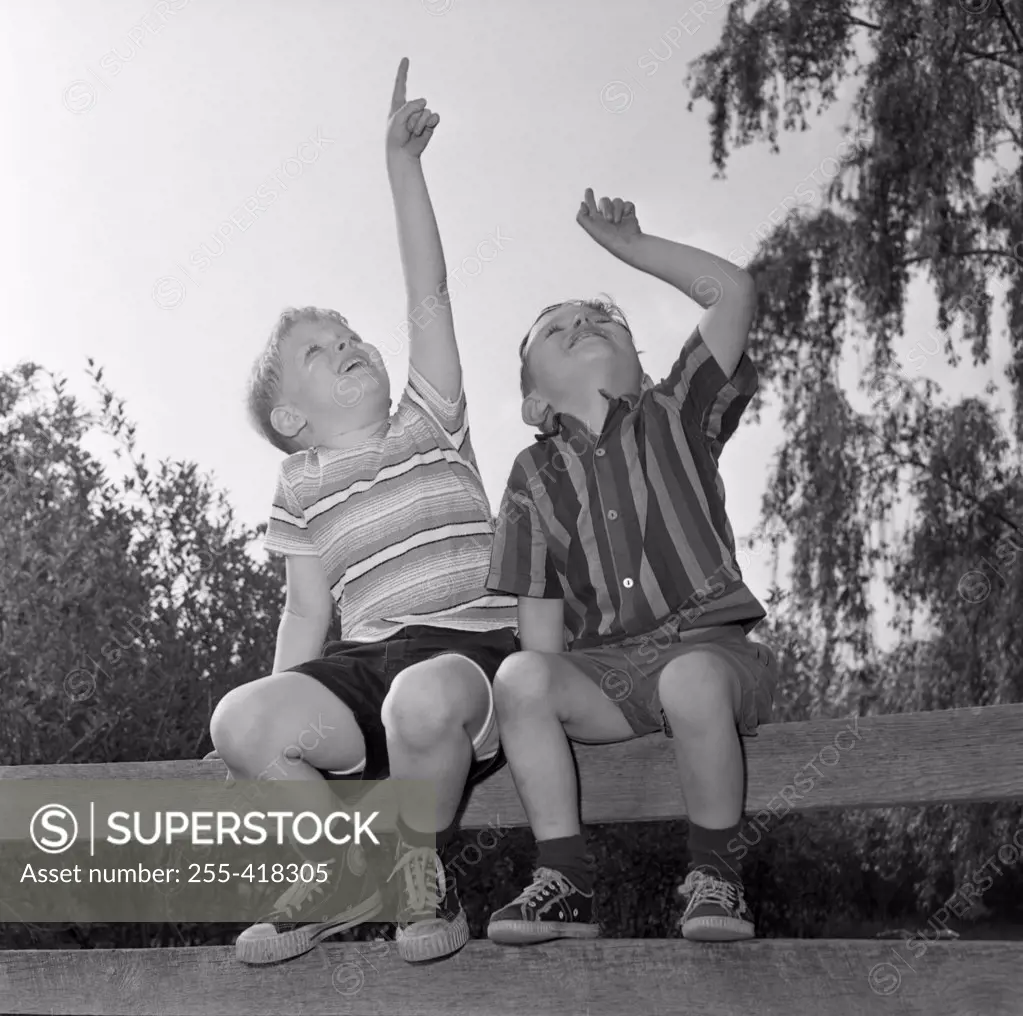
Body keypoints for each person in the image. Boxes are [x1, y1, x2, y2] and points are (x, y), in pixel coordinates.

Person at [207, 58, 518, 965]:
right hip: (361, 671)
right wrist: (266, 738)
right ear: (291, 418)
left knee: (422, 695)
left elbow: (429, 293)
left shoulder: (430, 418)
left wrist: (401, 168)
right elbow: (306, 610)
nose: (346, 341)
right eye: (318, 349)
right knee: (241, 719)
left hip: (467, 661)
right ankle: (348, 872)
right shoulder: (299, 485)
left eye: (346, 333)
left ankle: (418, 873)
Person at [484, 188, 778, 944]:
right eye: (556, 330)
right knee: (519, 676)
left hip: (708, 655)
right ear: (531, 402)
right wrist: (538, 710)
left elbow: (733, 292)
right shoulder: (529, 476)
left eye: (599, 318)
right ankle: (565, 881)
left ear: (642, 361)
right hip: (605, 679)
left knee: (687, 678)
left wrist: (631, 249)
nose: (580, 324)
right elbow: (540, 631)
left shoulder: (676, 411)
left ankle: (715, 874)